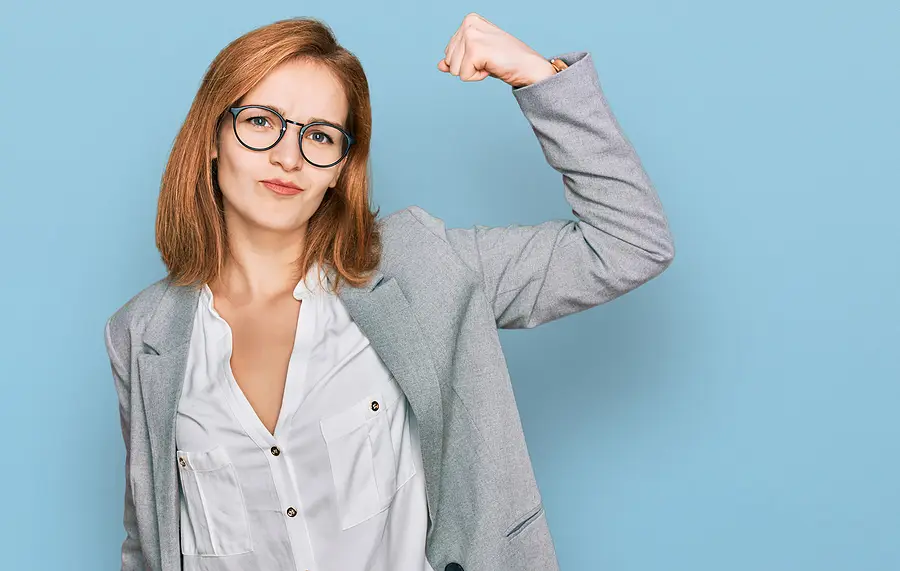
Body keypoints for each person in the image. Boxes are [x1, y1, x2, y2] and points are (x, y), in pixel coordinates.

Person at [104, 13, 674, 571]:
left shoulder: (422, 269)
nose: (287, 156)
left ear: (338, 169)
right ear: (212, 137)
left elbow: (629, 241)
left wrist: (536, 76)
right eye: (260, 121)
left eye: (319, 136)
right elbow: (149, 542)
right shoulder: (142, 332)